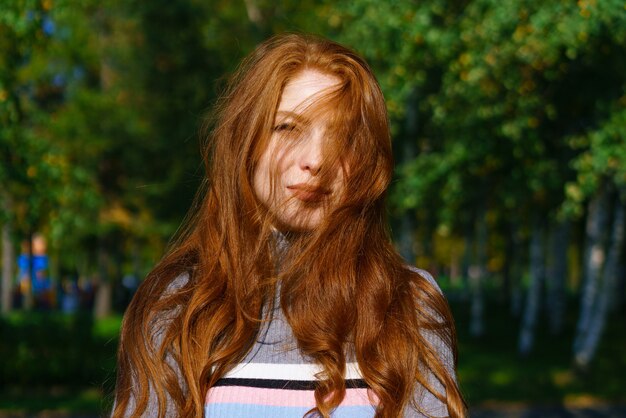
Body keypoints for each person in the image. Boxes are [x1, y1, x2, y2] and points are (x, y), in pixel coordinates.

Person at [111, 33, 466, 418]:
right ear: (246, 140)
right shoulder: (178, 303)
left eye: (343, 138)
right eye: (288, 128)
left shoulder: (407, 303)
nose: (316, 159)